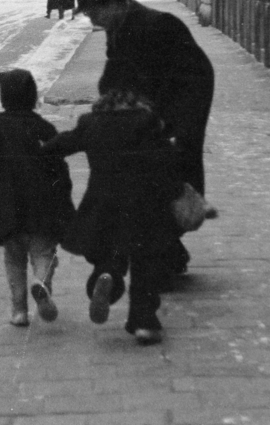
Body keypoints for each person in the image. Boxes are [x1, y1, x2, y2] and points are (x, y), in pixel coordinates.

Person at [74, 0, 215, 277]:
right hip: (152, 106)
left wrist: (171, 127)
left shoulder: (151, 26)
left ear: (113, 4)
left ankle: (165, 256)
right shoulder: (119, 27)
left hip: (184, 101)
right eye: (88, 14)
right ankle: (167, 252)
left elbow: (181, 78)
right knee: (146, 177)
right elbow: (116, 75)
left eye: (94, 12)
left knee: (168, 173)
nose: (91, 19)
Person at [43, 89, 181, 345]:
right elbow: (167, 160)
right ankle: (144, 323)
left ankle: (106, 278)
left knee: (110, 254)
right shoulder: (147, 122)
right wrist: (175, 192)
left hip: (102, 205)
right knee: (145, 263)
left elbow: (63, 144)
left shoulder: (90, 123)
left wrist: (41, 151)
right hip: (144, 206)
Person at [0, 69, 76, 327]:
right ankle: (41, 283)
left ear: (4, 98)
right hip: (41, 207)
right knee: (43, 252)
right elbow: (58, 166)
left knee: (14, 259)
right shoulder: (42, 127)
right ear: (32, 96)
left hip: (8, 208)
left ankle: (19, 311)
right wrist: (64, 196)